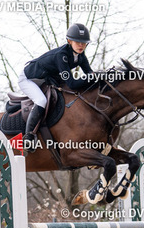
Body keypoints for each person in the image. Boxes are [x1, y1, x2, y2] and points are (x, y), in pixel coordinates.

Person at [18, 23, 95, 152]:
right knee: (41, 100)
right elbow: (72, 83)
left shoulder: (81, 56)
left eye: (84, 43)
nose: (81, 45)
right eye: (78, 42)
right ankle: (28, 137)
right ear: (69, 41)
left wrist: (99, 77)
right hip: (29, 79)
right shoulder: (62, 55)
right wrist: (93, 77)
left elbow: (90, 75)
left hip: (47, 78)